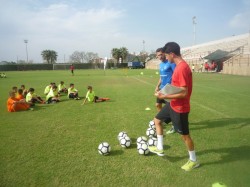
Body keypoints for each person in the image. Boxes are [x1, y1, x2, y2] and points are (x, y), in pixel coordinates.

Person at [149, 42, 199, 171]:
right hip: (173, 104)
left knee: (185, 136)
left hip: (181, 108)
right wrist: (164, 92)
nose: (166, 57)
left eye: (166, 55)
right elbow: (177, 89)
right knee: (157, 120)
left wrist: (163, 97)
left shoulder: (182, 68)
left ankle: (194, 160)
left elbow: (183, 93)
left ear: (172, 54)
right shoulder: (178, 66)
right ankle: (160, 147)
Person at [155, 48, 176, 134]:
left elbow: (176, 74)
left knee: (171, 109)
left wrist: (174, 86)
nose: (159, 57)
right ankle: (162, 119)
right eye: (157, 55)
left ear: (164, 54)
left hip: (169, 89)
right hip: (162, 88)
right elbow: (161, 77)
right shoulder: (160, 65)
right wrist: (157, 86)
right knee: (157, 104)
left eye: (160, 54)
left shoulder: (170, 63)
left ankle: (174, 126)